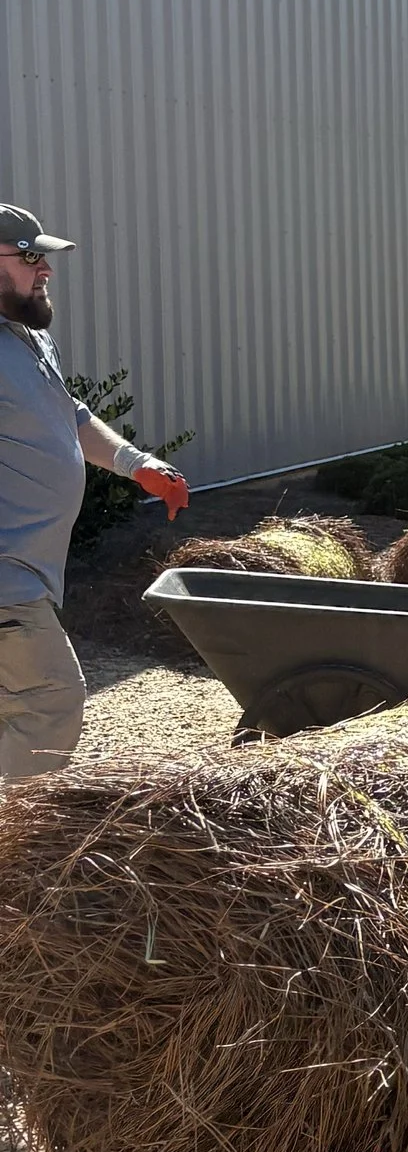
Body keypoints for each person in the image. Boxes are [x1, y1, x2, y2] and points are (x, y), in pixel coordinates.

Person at [0, 202, 189, 784]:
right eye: (31, 257)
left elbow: (70, 413)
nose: (46, 270)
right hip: (5, 582)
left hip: (25, 571)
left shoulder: (26, 337)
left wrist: (138, 465)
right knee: (49, 704)